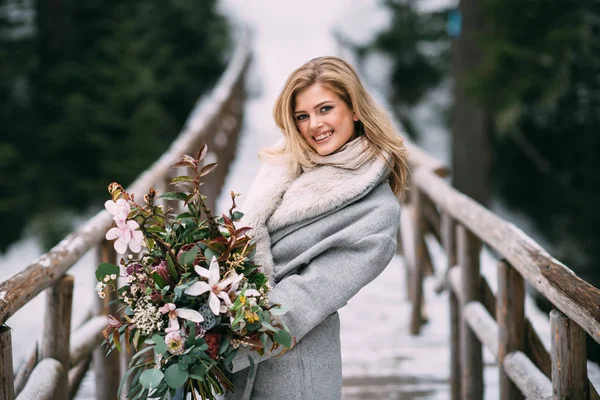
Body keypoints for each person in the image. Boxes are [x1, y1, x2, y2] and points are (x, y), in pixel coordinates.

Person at [223, 56, 409, 400]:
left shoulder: (376, 212)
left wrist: (221, 334)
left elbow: (309, 295)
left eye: (325, 109)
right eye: (302, 116)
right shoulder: (282, 167)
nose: (314, 125)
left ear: (354, 109)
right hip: (237, 362)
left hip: (291, 366)